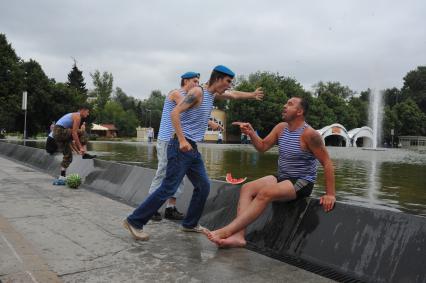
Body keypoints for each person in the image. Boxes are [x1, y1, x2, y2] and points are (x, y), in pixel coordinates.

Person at [123, 65, 264, 241]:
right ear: (218, 79)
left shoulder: (213, 94)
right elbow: (175, 113)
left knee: (203, 186)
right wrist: (182, 140)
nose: (229, 86)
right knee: (169, 187)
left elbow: (234, 95)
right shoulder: (198, 92)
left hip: (192, 149)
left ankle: (190, 224)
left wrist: (252, 94)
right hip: (180, 146)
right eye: (228, 81)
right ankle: (134, 221)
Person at [204, 96, 336, 248]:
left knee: (265, 193)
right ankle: (239, 236)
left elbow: (327, 162)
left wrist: (330, 194)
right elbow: (262, 147)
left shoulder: (310, 134)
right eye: (286, 102)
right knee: (247, 188)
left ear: (300, 111)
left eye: (290, 104)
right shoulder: (281, 128)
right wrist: (251, 133)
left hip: (302, 181)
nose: (284, 106)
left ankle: (226, 231)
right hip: (282, 176)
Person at [47, 104, 96, 180]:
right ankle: (84, 153)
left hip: (57, 135)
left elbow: (71, 140)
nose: (88, 114)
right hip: (59, 131)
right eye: (87, 112)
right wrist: (80, 148)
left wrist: (77, 151)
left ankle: (62, 176)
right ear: (82, 110)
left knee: (68, 156)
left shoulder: (73, 117)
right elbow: (74, 133)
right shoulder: (77, 116)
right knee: (82, 132)